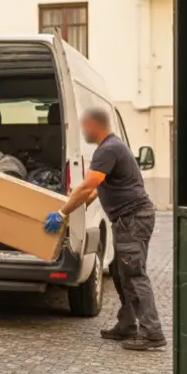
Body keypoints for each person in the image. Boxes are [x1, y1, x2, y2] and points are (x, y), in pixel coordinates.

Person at [57, 107, 165, 350]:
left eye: (85, 126)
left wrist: (62, 212)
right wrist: (80, 207)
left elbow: (86, 186)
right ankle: (127, 324)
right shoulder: (110, 147)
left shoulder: (108, 149)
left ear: (95, 125)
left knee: (134, 273)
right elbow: (96, 190)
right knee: (120, 271)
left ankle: (152, 332)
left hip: (132, 219)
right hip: (127, 219)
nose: (83, 131)